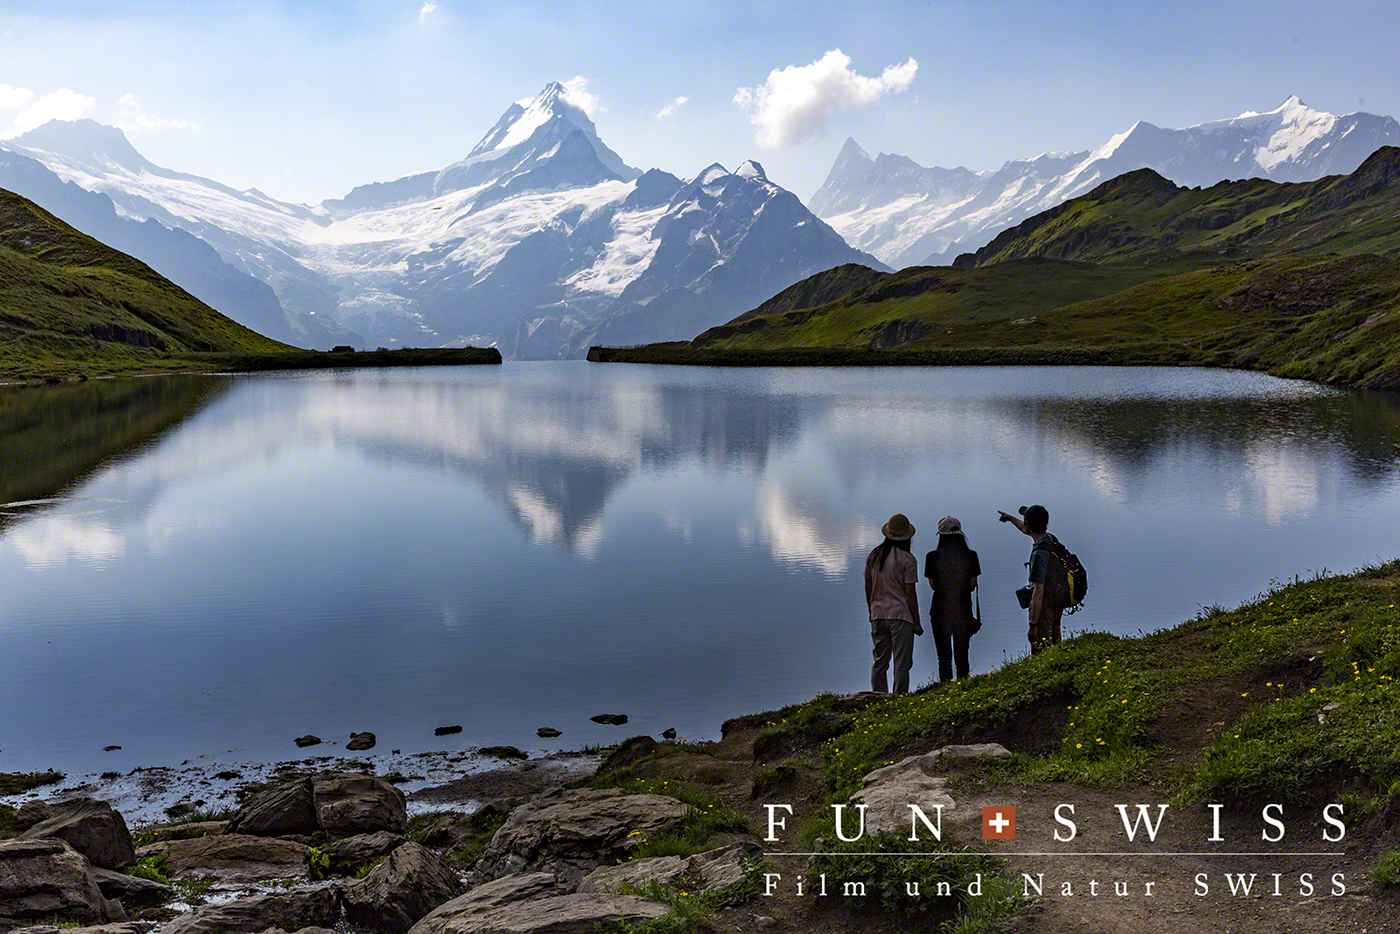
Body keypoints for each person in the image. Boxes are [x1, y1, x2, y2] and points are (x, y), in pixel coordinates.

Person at [864, 513, 920, 693]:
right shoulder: (908, 560)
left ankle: (878, 698)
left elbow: (868, 587)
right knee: (901, 663)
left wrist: (871, 610)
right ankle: (899, 701)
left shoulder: (874, 556)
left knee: (880, 662)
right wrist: (916, 622)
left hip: (878, 614)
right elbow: (910, 593)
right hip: (901, 616)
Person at [997, 504, 1062, 653]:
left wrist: (1033, 625)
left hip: (1043, 609)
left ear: (1028, 524)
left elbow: (1039, 591)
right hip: (1056, 602)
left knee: (1041, 651)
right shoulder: (1050, 539)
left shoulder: (1039, 554)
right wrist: (1009, 517)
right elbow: (1024, 529)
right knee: (1056, 647)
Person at [924, 516, 981, 681]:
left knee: (944, 658)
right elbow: (972, 585)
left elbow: (933, 585)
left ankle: (945, 689)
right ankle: (964, 687)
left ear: (941, 535)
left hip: (939, 611)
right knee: (962, 656)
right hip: (963, 611)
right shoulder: (971, 555)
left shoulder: (932, 557)